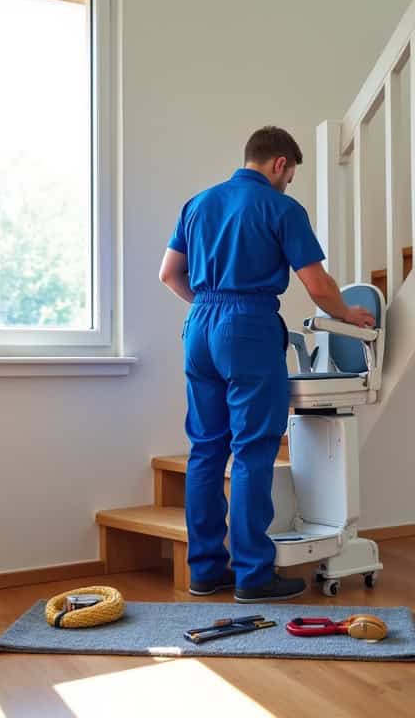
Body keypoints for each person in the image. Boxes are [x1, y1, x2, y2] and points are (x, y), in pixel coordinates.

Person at [159, 126, 376, 603]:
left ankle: (206, 572)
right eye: (291, 174)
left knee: (206, 451)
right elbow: (317, 286)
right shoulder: (280, 208)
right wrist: (346, 314)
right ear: (280, 164)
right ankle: (254, 575)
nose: (289, 182)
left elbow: (169, 275)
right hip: (248, 326)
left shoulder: (197, 204)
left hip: (199, 327)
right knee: (253, 450)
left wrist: (208, 307)